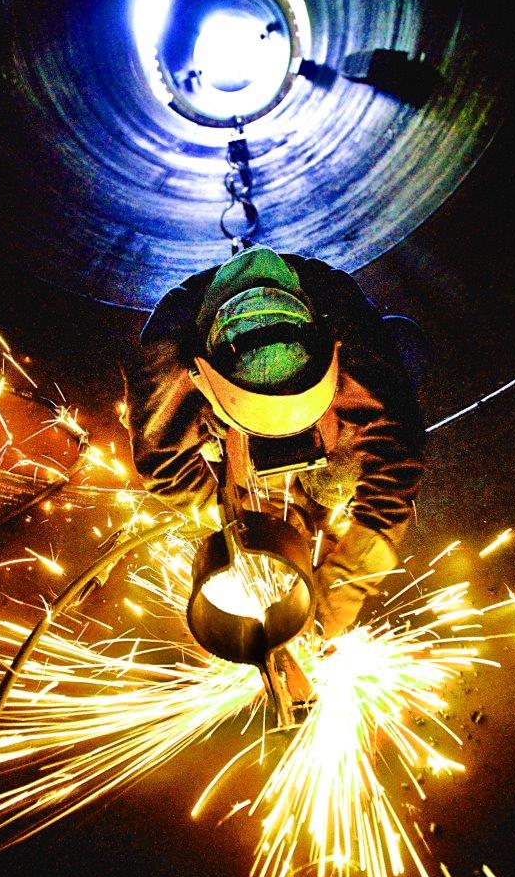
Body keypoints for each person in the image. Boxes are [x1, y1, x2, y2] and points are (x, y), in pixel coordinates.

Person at [121, 245, 425, 640]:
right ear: (202, 376)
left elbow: (396, 453)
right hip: (223, 428)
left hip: (336, 386)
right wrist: (240, 514)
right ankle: (251, 472)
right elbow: (165, 471)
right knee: (206, 458)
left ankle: (318, 480)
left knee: (403, 349)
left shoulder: (346, 323)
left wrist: (350, 574)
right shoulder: (166, 354)